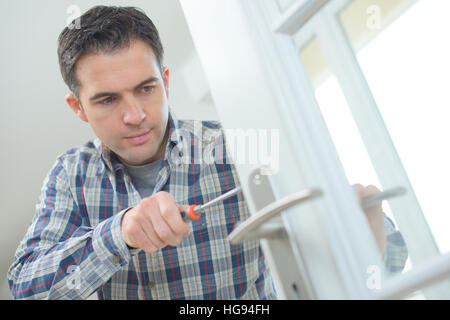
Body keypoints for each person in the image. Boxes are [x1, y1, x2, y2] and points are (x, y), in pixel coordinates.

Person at [7, 6, 407, 300]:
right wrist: (121, 233)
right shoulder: (71, 175)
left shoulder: (238, 147)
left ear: (165, 81)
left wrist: (364, 236)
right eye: (108, 99)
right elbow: (24, 285)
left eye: (146, 88)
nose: (134, 115)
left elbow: (389, 259)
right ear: (78, 108)